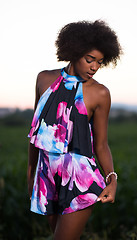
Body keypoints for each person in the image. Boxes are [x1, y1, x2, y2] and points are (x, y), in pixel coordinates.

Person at [27, 20, 122, 240]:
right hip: (46, 176)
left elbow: (101, 143)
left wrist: (112, 179)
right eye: (90, 60)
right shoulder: (44, 80)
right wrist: (31, 173)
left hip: (79, 179)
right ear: (74, 52)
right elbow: (35, 134)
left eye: (100, 62)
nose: (95, 67)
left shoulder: (100, 94)